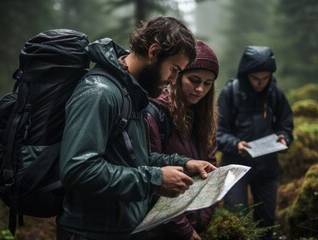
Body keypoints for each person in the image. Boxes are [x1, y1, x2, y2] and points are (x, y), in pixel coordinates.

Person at [56, 16, 216, 240]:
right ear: (153, 51)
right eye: (174, 69)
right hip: (90, 232)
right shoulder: (100, 92)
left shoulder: (131, 92)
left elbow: (134, 158)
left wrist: (185, 163)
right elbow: (77, 170)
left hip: (121, 229)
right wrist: (154, 180)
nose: (173, 80)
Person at [217, 46, 294, 240]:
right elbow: (217, 131)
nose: (260, 83)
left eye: (265, 78)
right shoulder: (230, 93)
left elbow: (286, 123)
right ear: (245, 74)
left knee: (266, 222)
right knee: (237, 220)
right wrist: (235, 144)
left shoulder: (275, 94)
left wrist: (284, 137)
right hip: (235, 168)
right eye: (255, 78)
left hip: (267, 168)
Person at [145, 40, 220, 240]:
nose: (200, 89)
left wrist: (206, 215)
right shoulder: (155, 114)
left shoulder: (205, 117)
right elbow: (153, 177)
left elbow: (210, 168)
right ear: (178, 76)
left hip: (197, 225)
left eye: (207, 83)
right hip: (161, 230)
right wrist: (185, 231)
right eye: (194, 80)